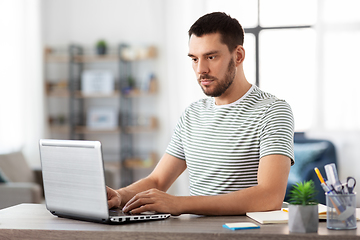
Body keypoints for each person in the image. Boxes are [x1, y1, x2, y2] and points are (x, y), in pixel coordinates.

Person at [107, 12, 294, 216]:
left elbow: (270, 196)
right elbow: (158, 181)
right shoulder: (192, 114)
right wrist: (120, 195)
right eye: (194, 59)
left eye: (211, 57)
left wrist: (179, 204)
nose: (200, 69)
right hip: (195, 232)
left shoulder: (273, 111)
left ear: (238, 56)